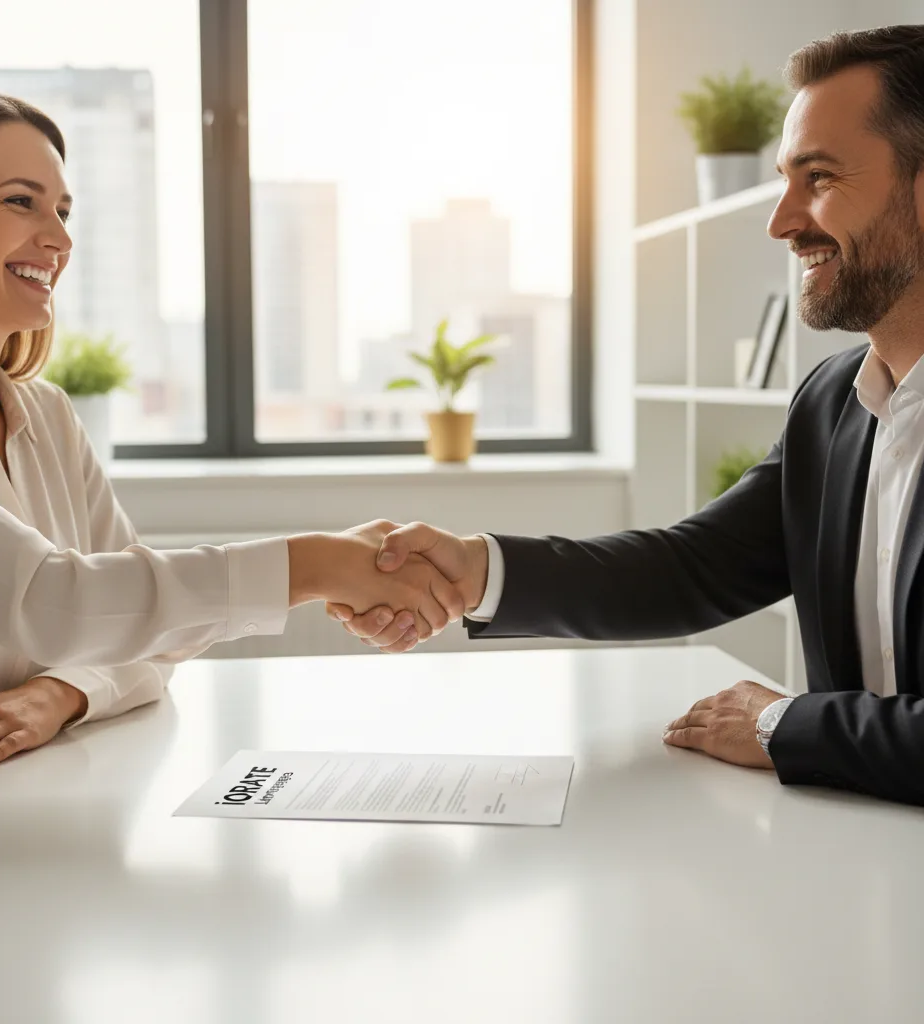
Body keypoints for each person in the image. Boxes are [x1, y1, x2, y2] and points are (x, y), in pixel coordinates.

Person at [329, 26, 924, 809]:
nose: (781, 221)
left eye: (818, 177)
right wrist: (476, 570)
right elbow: (693, 568)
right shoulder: (833, 402)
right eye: (785, 180)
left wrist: (786, 724)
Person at [0, 90, 461, 866]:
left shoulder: (49, 416)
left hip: (28, 832)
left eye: (64, 210)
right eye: (20, 202)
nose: (57, 237)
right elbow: (54, 602)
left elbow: (143, 632)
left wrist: (60, 694)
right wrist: (317, 564)